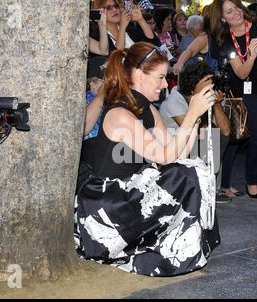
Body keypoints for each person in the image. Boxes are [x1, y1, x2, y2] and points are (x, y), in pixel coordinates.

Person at [75, 42, 220, 276]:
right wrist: (191, 113)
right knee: (187, 173)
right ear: (138, 74)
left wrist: (196, 118)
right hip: (108, 204)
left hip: (130, 192)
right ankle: (166, 251)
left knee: (192, 167)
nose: (165, 85)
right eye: (161, 78)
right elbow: (164, 156)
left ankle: (178, 249)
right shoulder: (120, 114)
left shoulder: (148, 109)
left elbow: (180, 153)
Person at [210, 0, 257, 198]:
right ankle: (249, 182)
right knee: (248, 136)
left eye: (236, 8)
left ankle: (227, 183)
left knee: (242, 137)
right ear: (223, 18)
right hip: (243, 90)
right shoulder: (226, 39)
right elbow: (241, 73)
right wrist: (251, 56)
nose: (236, 13)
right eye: (229, 12)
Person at [160, 61, 232, 203]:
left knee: (220, 137)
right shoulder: (174, 101)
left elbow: (226, 130)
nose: (210, 86)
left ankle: (208, 187)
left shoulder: (208, 96)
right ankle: (199, 187)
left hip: (192, 148)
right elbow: (196, 133)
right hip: (173, 150)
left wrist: (216, 104)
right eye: (206, 81)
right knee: (209, 138)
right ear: (193, 85)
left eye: (211, 81)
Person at [90, 0, 158, 57]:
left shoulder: (129, 29)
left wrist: (140, 19)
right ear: (99, 12)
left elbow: (154, 43)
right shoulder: (98, 36)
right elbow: (116, 57)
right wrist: (122, 28)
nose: (114, 10)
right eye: (108, 8)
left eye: (116, 6)